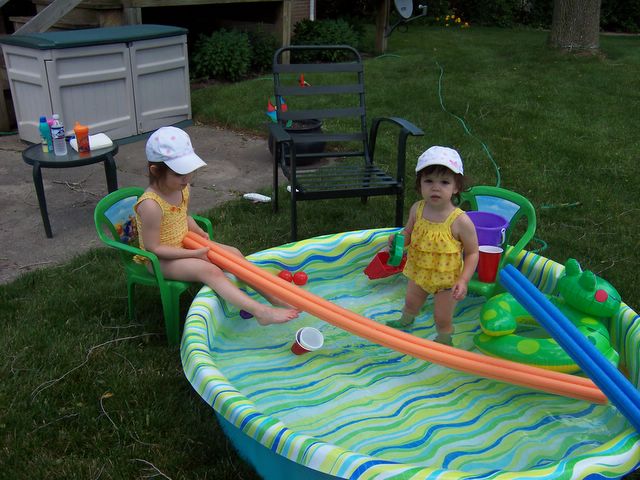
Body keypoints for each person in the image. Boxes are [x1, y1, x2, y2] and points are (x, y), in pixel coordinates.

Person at [134, 126, 299, 325]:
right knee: (209, 271)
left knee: (234, 254)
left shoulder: (182, 188)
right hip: (159, 260)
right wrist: (193, 254)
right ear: (155, 171)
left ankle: (273, 297)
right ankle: (261, 312)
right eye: (179, 174)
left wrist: (197, 231)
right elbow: (154, 248)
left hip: (186, 244)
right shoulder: (151, 205)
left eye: (190, 171)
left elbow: (182, 216)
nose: (187, 178)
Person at [386, 146, 479, 346]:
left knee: (442, 318)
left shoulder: (460, 221)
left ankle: (444, 340)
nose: (435, 188)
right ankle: (405, 322)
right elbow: (409, 233)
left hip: (447, 281)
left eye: (444, 182)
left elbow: (472, 253)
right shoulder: (417, 210)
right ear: (419, 184)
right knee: (410, 304)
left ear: (456, 187)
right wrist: (399, 240)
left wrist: (463, 280)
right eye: (429, 181)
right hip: (419, 272)